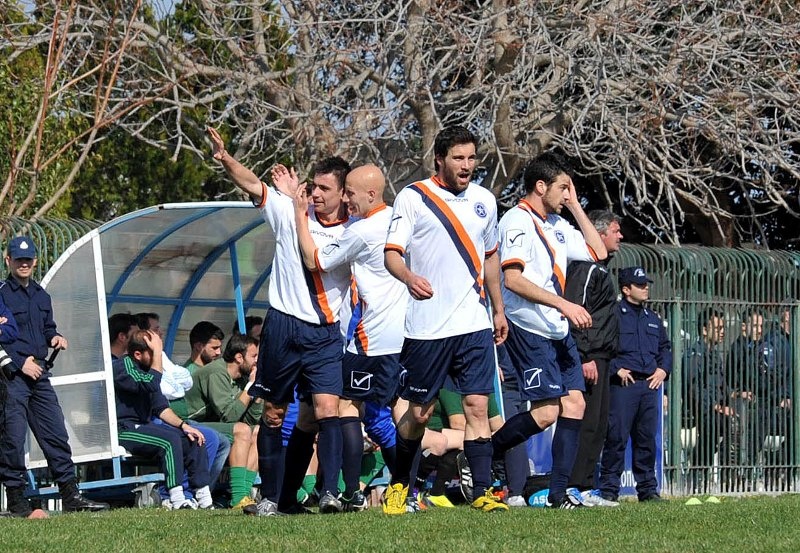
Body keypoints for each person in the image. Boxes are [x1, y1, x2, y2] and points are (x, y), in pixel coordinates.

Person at [208, 127, 351, 515]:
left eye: (325, 188)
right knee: (273, 412)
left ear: (342, 193)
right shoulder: (289, 212)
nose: (316, 194)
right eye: (314, 186)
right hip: (283, 327)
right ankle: (270, 498)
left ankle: (330, 494)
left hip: (323, 333)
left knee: (327, 410)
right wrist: (225, 159)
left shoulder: (352, 232)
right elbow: (254, 186)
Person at [382, 125, 509, 514]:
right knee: (419, 414)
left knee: (476, 406)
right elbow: (392, 253)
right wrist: (409, 277)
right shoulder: (414, 197)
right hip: (427, 327)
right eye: (459, 158)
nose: (467, 165)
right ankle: (400, 483)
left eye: (472, 158)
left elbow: (490, 256)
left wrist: (498, 308)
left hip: (473, 322)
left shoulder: (485, 200)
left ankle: (483, 492)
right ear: (440, 159)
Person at [479, 152, 607, 509]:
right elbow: (514, 279)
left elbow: (598, 252)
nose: (567, 195)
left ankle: (559, 494)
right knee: (549, 411)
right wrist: (564, 304)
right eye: (562, 187)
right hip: (528, 325)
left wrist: (577, 206)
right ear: (540, 186)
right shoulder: (517, 221)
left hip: (556, 327)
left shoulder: (557, 224)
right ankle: (489, 452)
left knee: (575, 403)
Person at [292, 163, 409, 512]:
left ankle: (355, 492)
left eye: (350, 193)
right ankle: (405, 489)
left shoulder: (363, 231)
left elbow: (316, 261)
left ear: (371, 194)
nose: (346, 199)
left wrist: (301, 216)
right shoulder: (400, 219)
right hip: (405, 335)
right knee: (387, 416)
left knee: (347, 408)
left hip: (369, 336)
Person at [0, 236, 109, 516]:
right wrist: (19, 362)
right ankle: (16, 500)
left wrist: (55, 337)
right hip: (11, 375)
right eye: (18, 259)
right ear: (8, 260)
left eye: (28, 259)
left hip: (40, 373)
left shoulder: (41, 295)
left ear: (35, 261)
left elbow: (48, 327)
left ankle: (71, 495)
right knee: (12, 437)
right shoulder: (1, 294)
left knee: (56, 433)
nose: (24, 264)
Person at [133, 313, 231, 505]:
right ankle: (180, 493)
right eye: (155, 330)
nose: (160, 334)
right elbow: (167, 388)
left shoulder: (160, 358)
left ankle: (199, 490)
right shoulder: (130, 366)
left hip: (169, 417)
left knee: (212, 438)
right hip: (149, 422)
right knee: (201, 437)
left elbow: (181, 383)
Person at [113, 329, 213, 510]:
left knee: (192, 438)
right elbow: (150, 382)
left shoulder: (149, 372)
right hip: (124, 429)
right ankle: (176, 498)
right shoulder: (123, 366)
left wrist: (184, 426)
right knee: (169, 440)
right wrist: (157, 357)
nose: (159, 357)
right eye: (154, 352)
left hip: (143, 426)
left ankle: (204, 497)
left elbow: (161, 408)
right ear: (137, 354)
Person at [597, 267, 672, 503]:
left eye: (645, 284)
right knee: (616, 437)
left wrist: (663, 370)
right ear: (626, 289)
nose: (646, 288)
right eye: (640, 285)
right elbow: (603, 347)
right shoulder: (614, 315)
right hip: (623, 386)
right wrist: (616, 368)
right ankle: (609, 489)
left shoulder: (653, 319)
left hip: (649, 386)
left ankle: (648, 490)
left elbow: (665, 348)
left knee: (646, 439)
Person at [564, 210, 623, 505]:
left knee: (599, 424)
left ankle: (587, 485)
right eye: (615, 230)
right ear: (598, 234)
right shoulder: (584, 268)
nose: (620, 236)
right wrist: (584, 356)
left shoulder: (601, 269)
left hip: (603, 356)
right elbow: (576, 312)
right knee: (587, 422)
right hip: (589, 358)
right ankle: (573, 485)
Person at [184, 334, 263, 513]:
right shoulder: (217, 372)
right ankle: (237, 497)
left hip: (212, 424)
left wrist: (257, 394)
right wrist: (249, 388)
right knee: (242, 431)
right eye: (254, 356)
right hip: (189, 423)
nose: (257, 361)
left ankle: (245, 494)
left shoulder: (242, 377)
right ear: (239, 357)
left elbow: (251, 420)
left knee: (258, 431)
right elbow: (230, 417)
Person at [682, 308, 734, 493]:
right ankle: (696, 474)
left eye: (723, 327)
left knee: (736, 424)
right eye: (717, 327)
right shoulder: (695, 354)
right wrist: (716, 406)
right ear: (704, 330)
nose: (722, 331)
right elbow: (693, 388)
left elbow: (721, 386)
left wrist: (728, 403)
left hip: (715, 410)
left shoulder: (715, 355)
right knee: (712, 425)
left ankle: (730, 476)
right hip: (695, 413)